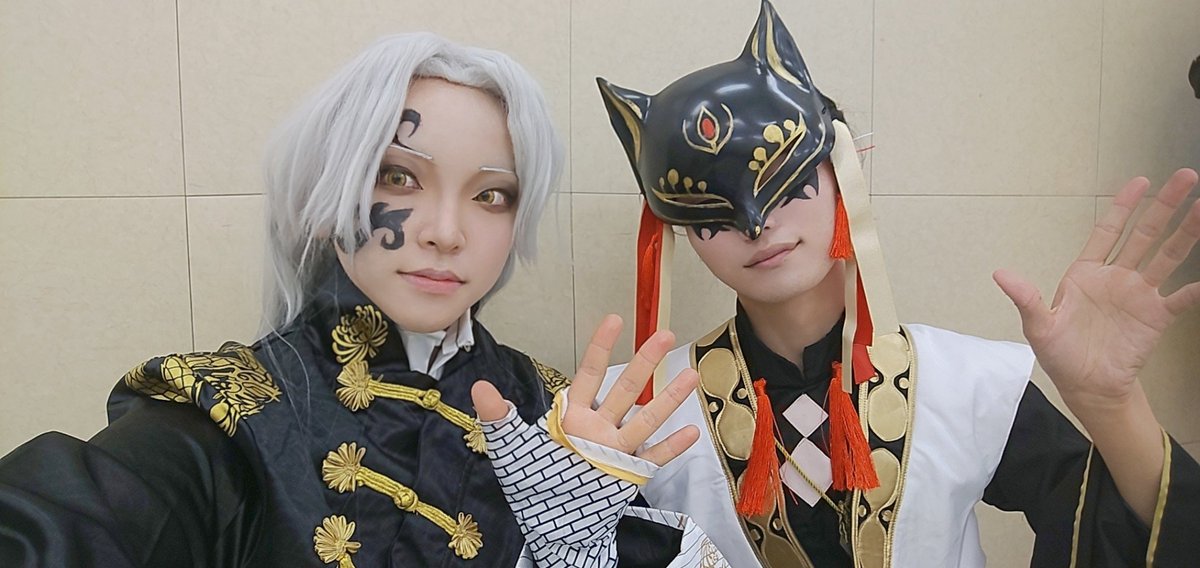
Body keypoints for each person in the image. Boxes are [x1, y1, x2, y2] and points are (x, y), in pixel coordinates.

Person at [0, 33, 722, 568]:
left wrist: (586, 547)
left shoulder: (555, 417)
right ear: (325, 197)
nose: (445, 232)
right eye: (398, 178)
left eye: (492, 195)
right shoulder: (230, 415)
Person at [588, 1, 1200, 566]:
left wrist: (1113, 406)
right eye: (710, 211)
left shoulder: (966, 386)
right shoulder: (638, 418)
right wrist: (581, 487)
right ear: (675, 229)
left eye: (785, 183)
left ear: (846, 168)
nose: (756, 223)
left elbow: (1125, 531)